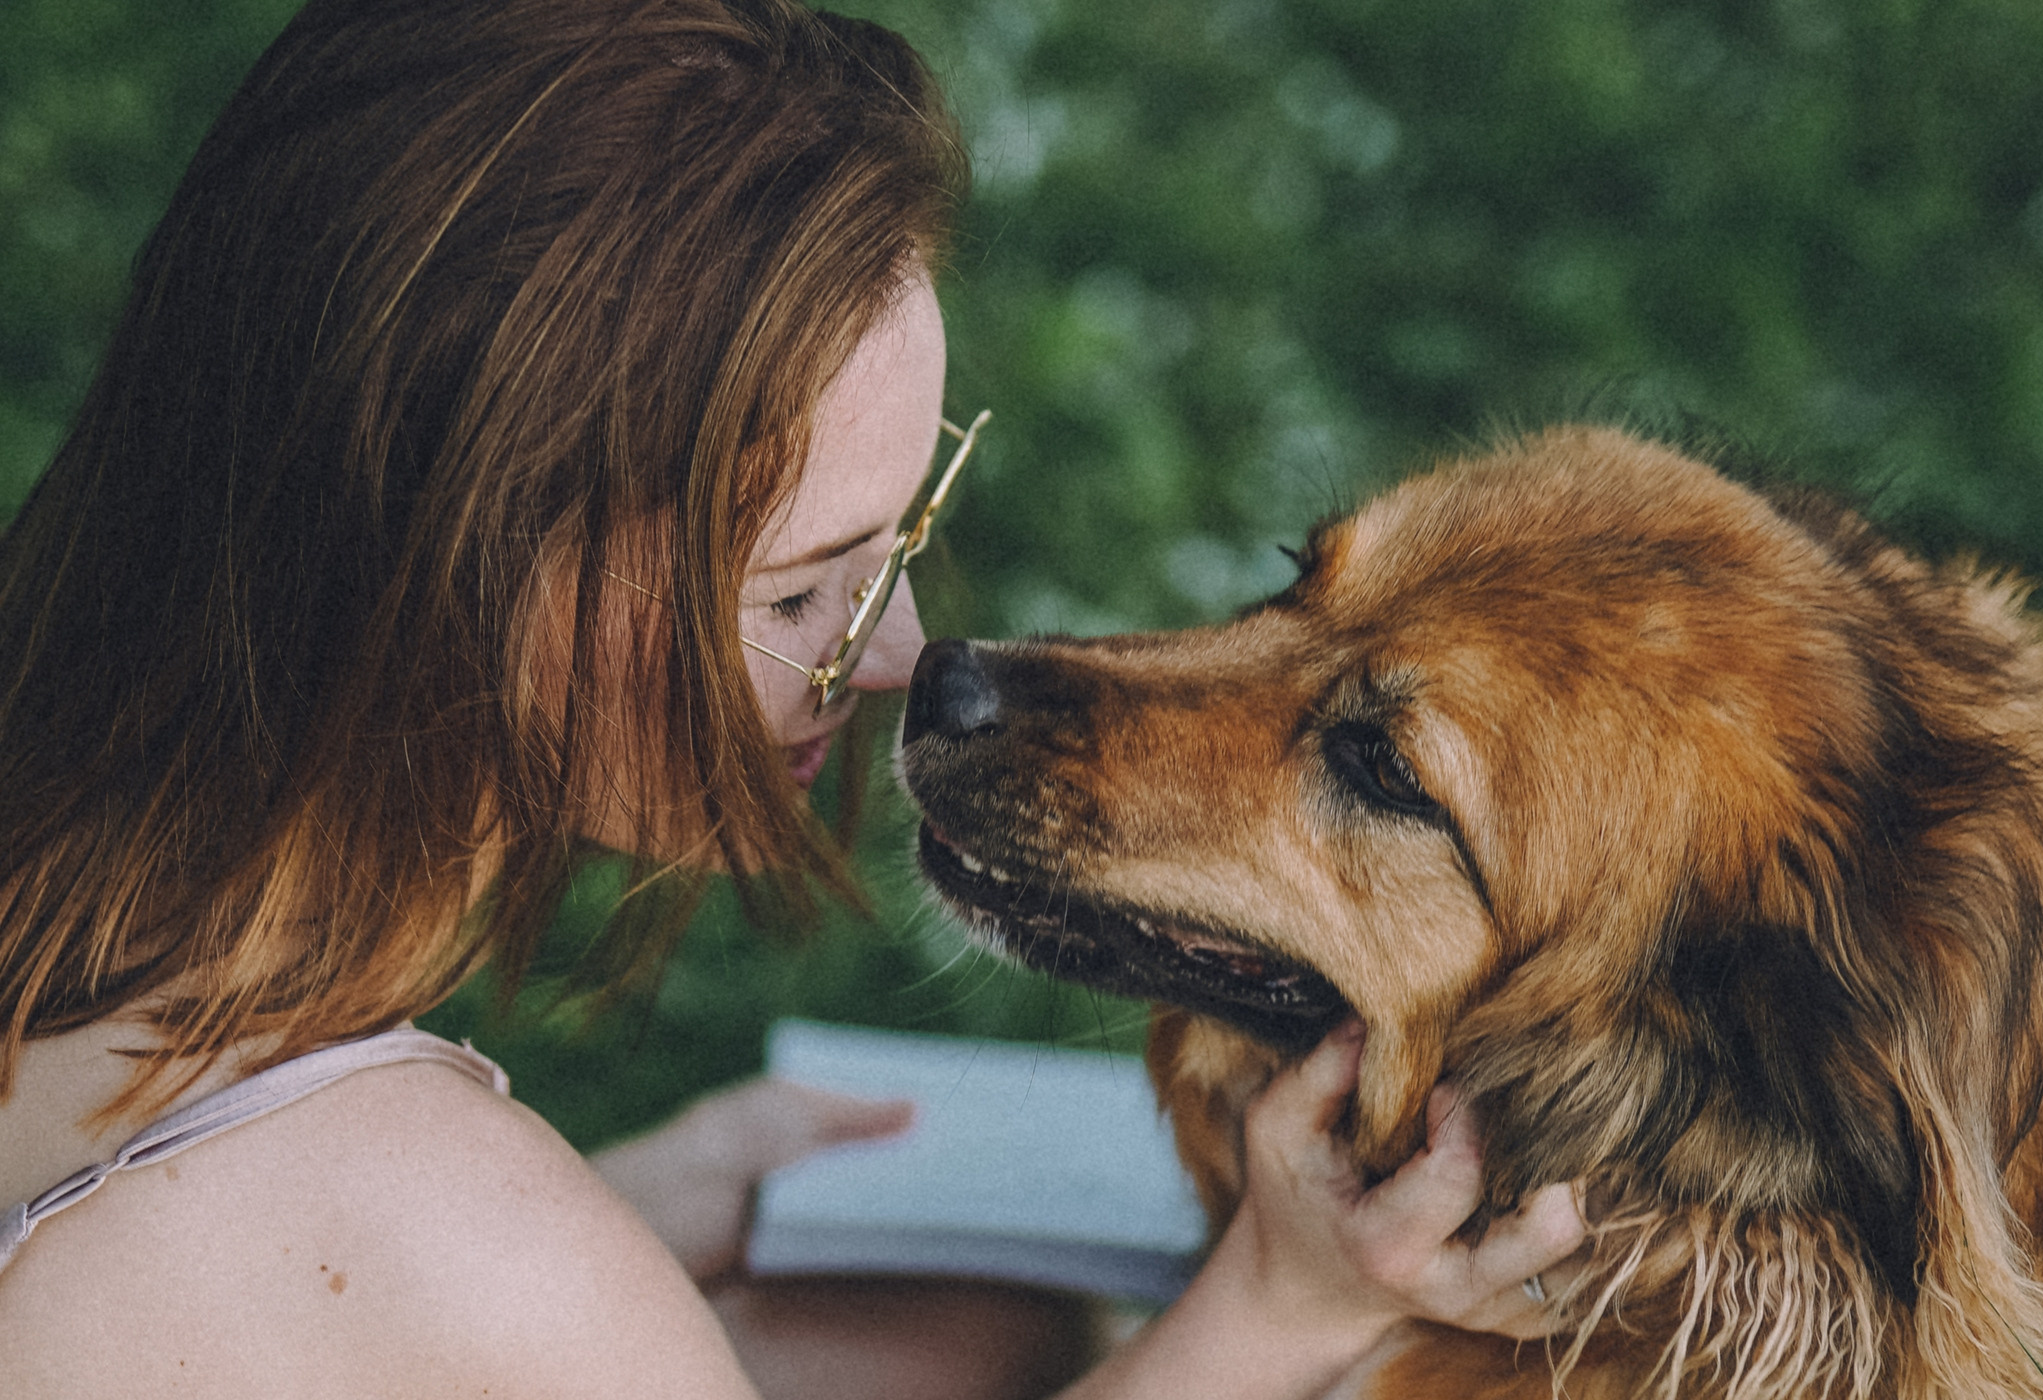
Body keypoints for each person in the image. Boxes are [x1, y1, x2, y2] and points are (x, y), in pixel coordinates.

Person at [0, 1, 1585, 1396]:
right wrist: (1279, 1309)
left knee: (944, 1332)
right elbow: (381, 1274)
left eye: (901, 538)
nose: (894, 654)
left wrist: (640, 1194)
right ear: (460, 579)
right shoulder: (470, 1252)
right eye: (793, 593)